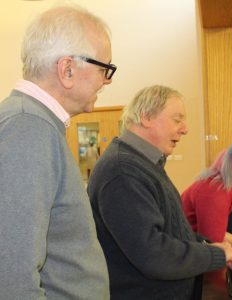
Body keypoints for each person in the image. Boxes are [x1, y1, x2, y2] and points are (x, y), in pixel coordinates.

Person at [88, 85, 232, 300]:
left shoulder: (143, 164)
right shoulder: (123, 171)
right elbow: (152, 253)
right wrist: (215, 255)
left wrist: (205, 245)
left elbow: (170, 228)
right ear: (146, 117)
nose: (185, 129)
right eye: (177, 119)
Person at [0, 5, 117, 299]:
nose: (107, 80)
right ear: (67, 70)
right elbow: (12, 277)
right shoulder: (29, 128)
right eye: (105, 68)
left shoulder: (34, 123)